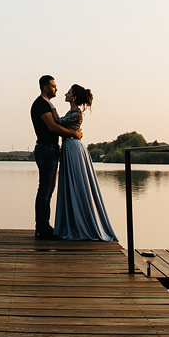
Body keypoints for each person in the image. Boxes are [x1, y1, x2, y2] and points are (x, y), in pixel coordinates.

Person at [53, 84, 116, 241]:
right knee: (70, 184)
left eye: (68, 92)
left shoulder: (76, 113)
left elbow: (58, 123)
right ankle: (71, 223)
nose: (65, 94)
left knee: (77, 184)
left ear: (74, 97)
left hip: (73, 147)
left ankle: (81, 224)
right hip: (69, 147)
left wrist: (51, 111)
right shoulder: (72, 112)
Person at [30, 75, 81, 240]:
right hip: (45, 149)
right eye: (53, 86)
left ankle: (45, 226)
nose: (56, 89)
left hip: (50, 149)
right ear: (45, 87)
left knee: (49, 189)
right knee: (44, 189)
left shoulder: (47, 103)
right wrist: (74, 133)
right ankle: (41, 228)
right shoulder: (41, 104)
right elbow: (52, 127)